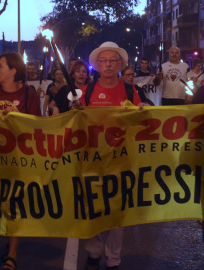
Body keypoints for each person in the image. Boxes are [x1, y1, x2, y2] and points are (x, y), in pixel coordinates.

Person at [75, 41, 143, 270]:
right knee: (92, 208)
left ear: (120, 64)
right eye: (103, 60)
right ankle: (94, 253)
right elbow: (75, 124)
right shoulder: (86, 92)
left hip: (121, 161)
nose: (108, 64)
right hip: (93, 162)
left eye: (112, 60)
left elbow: (139, 122)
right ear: (96, 65)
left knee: (118, 213)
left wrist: (140, 111)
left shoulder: (130, 90)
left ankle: (113, 259)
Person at [0, 51, 41, 270]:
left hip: (19, 160)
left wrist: (18, 115)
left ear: (13, 71)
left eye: (1, 66)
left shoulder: (28, 94)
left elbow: (38, 124)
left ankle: (12, 253)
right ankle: (9, 243)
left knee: (14, 203)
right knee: (1, 204)